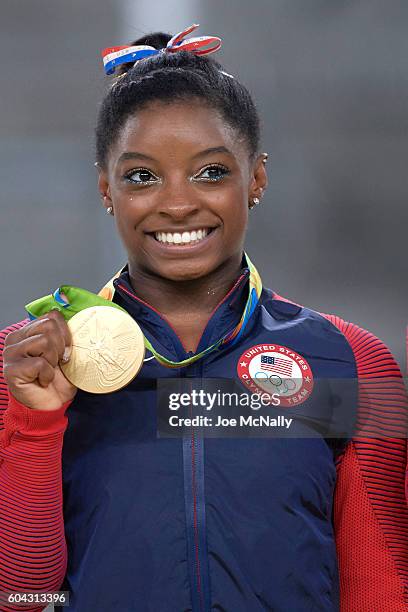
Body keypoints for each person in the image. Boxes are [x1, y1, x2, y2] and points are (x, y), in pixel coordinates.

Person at [0, 24, 407, 612]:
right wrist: (34, 428)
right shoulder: (27, 366)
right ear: (105, 188)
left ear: (257, 178)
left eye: (211, 171)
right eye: (141, 176)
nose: (177, 202)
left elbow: (384, 589)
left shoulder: (353, 361)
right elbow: (21, 596)